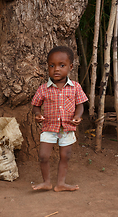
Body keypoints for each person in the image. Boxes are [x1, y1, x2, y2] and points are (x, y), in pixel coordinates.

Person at [31, 46, 88, 192]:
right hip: (49, 127)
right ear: (48, 67)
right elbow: (36, 106)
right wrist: (37, 115)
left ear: (70, 67)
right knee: (43, 156)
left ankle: (61, 183)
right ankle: (46, 182)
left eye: (61, 65)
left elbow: (80, 106)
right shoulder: (43, 89)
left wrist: (77, 116)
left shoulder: (75, 87)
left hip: (67, 128)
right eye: (52, 65)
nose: (56, 69)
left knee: (65, 155)